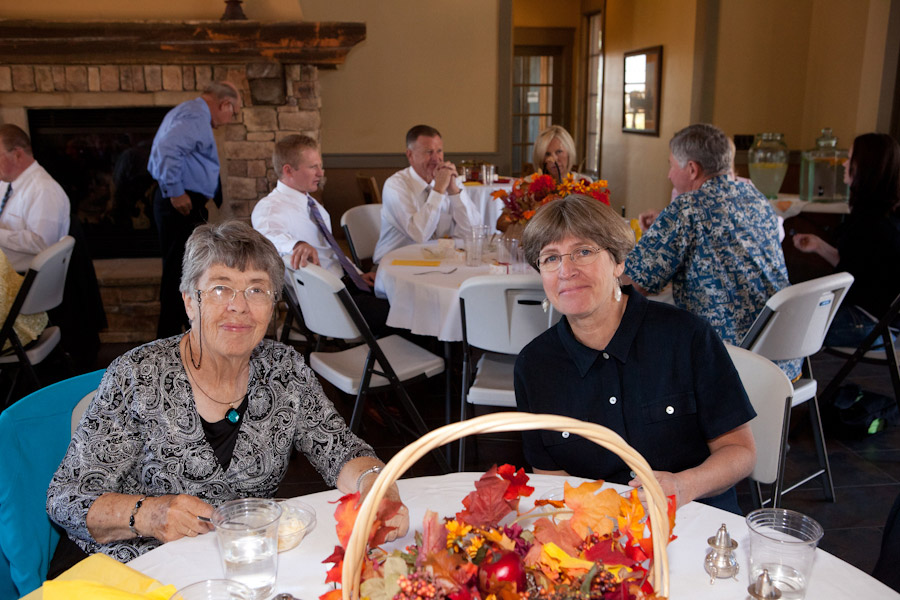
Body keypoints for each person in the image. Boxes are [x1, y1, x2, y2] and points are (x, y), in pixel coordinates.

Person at [46, 221, 408, 567]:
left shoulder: (284, 369)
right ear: (190, 301)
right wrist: (150, 514)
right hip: (145, 566)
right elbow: (66, 497)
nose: (239, 305)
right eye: (221, 288)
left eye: (256, 289)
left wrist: (376, 486)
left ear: (272, 306)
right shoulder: (138, 375)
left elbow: (342, 450)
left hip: (246, 559)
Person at [514, 194, 756, 514]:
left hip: (695, 514)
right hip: (597, 527)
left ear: (618, 262)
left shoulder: (686, 336)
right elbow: (550, 477)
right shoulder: (535, 365)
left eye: (583, 252)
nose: (566, 270)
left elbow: (740, 451)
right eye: (550, 258)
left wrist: (684, 486)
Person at [623, 123, 800, 379]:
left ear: (692, 169)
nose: (669, 175)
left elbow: (633, 285)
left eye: (671, 165)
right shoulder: (756, 198)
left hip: (733, 366)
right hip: (785, 359)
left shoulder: (688, 208)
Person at [252, 134, 391, 335]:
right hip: (326, 301)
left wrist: (359, 275)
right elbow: (268, 235)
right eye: (313, 167)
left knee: (406, 300)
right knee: (404, 314)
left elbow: (331, 252)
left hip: (346, 285)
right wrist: (296, 245)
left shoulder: (313, 204)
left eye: (321, 166)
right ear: (288, 170)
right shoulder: (270, 208)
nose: (321, 173)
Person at [148, 81, 240, 339]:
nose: (231, 119)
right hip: (180, 204)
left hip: (182, 203)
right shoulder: (195, 115)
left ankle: (181, 335)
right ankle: (168, 340)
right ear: (225, 104)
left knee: (184, 270)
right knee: (179, 273)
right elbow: (168, 149)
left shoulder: (191, 111)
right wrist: (176, 191)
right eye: (234, 112)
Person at [793, 133, 900, 346]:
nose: (844, 164)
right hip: (886, 325)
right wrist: (819, 246)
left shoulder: (870, 222)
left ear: (866, 168)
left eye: (850, 159)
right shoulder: (887, 214)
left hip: (869, 325)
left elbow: (850, 282)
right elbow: (858, 270)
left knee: (784, 326)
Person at [372, 125, 480, 264]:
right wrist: (438, 190)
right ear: (410, 155)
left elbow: (473, 232)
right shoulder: (395, 185)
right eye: (429, 152)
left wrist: (454, 192)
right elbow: (419, 235)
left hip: (438, 262)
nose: (436, 159)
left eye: (439, 151)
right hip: (395, 263)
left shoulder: (450, 180)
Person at [0, 124, 70, 272]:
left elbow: (42, 243)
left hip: (21, 277)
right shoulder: (6, 183)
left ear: (17, 155)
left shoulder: (44, 190)